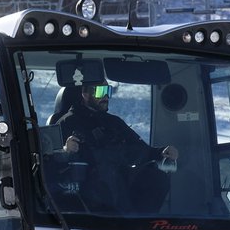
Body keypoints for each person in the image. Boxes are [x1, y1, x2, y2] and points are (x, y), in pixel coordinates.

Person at [55, 82, 178, 213]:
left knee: (156, 178)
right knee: (105, 176)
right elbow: (50, 160)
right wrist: (65, 151)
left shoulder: (114, 122)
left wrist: (161, 152)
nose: (106, 96)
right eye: (100, 91)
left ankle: (141, 222)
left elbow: (141, 149)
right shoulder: (66, 123)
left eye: (108, 91)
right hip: (88, 190)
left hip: (122, 182)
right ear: (85, 94)